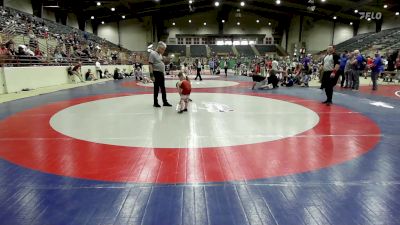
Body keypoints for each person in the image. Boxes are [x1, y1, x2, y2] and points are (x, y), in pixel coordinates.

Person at [149, 41, 172, 107]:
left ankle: (165, 102)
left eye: (164, 50)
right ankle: (155, 103)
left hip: (161, 73)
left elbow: (162, 63)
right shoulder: (152, 53)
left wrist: (167, 61)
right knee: (156, 88)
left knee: (163, 88)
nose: (163, 51)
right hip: (156, 73)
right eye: (163, 49)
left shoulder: (160, 55)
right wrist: (151, 75)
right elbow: (150, 65)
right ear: (159, 48)